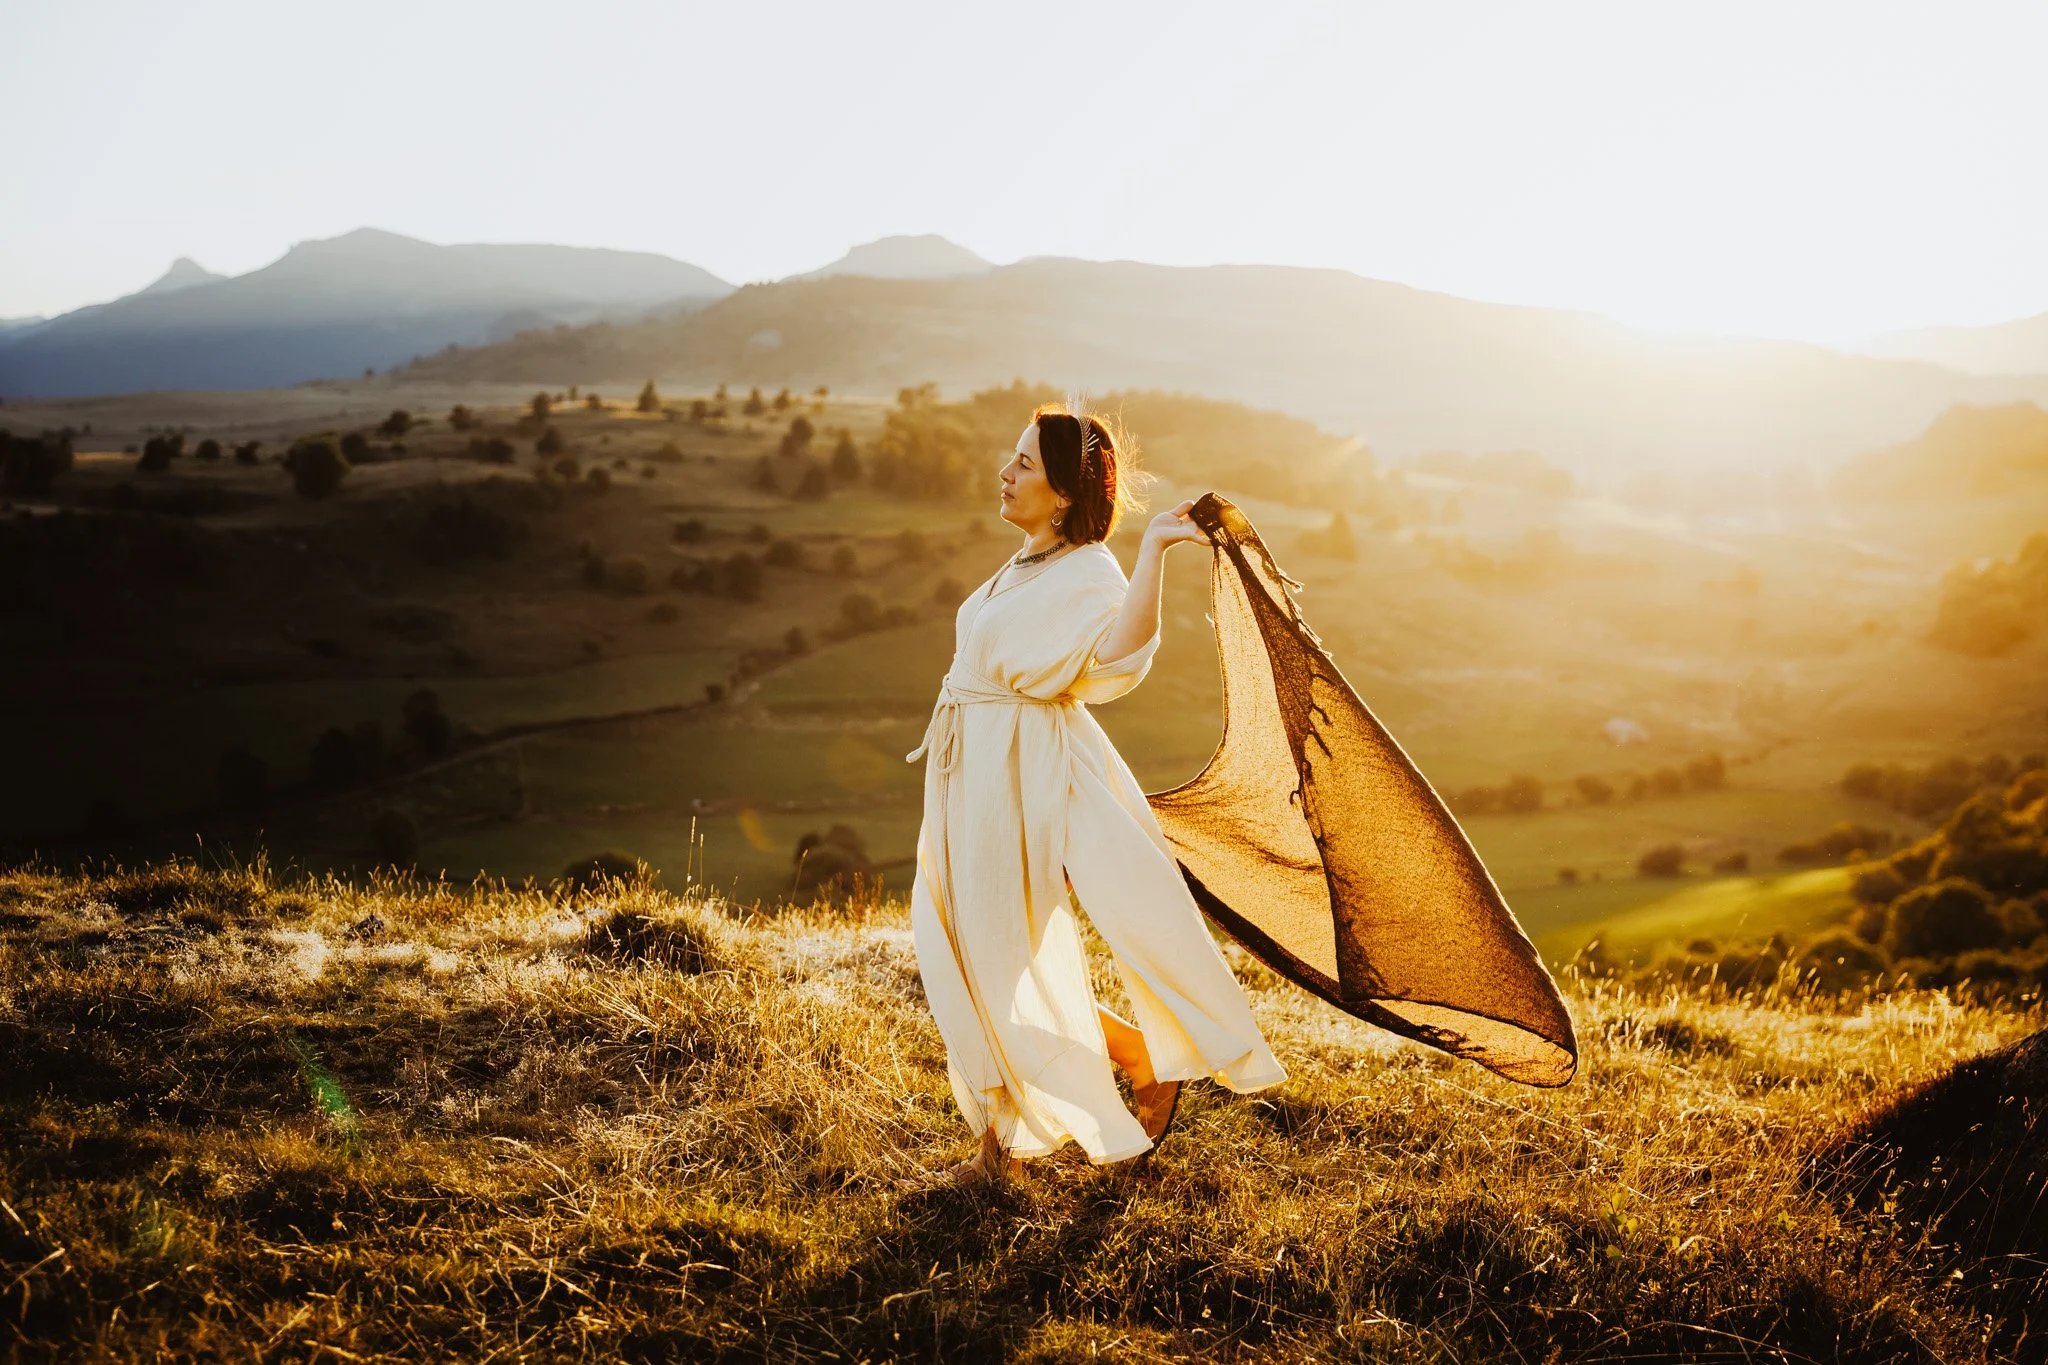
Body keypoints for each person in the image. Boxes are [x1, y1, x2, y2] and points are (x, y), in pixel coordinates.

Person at [906, 403, 1287, 1183]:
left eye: (1023, 467)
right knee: (959, 946)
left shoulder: (1089, 572)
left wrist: (1150, 553)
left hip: (1017, 777)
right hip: (965, 772)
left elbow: (1118, 653)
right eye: (1011, 459)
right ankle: (1133, 1053)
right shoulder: (1021, 563)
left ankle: (995, 1152)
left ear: (1064, 497)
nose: (1004, 475)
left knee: (992, 955)